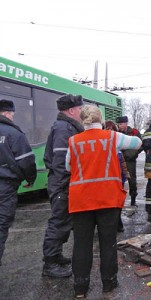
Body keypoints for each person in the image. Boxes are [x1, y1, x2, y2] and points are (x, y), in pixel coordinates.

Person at [66, 105, 142, 298]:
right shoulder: (112, 137)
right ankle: (108, 283)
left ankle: (80, 288)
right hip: (108, 199)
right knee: (108, 242)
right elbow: (137, 143)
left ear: (82, 120)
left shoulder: (73, 141)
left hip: (81, 200)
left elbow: (68, 166)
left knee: (81, 244)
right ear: (100, 119)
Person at [42, 94, 84, 278]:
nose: (82, 112)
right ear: (72, 110)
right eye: (80, 109)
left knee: (64, 222)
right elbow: (61, 162)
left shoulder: (66, 126)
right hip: (62, 184)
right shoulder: (64, 128)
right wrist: (67, 185)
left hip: (63, 183)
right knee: (59, 222)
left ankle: (56, 255)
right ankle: (50, 264)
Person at [0, 100, 37, 266]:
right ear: (8, 113)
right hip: (5, 187)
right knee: (1, 225)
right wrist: (30, 179)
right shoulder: (14, 134)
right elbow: (26, 162)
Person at [104, 120, 129, 232]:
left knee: (117, 201)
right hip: (107, 179)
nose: (109, 131)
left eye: (111, 129)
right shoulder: (102, 145)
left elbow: (122, 162)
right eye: (107, 128)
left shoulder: (118, 146)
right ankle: (110, 224)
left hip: (119, 178)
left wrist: (125, 173)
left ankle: (118, 223)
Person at [116, 116, 142, 207]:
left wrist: (132, 154)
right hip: (118, 160)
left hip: (130, 160)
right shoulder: (117, 133)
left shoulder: (134, 132)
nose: (119, 126)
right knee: (119, 180)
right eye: (118, 124)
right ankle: (118, 200)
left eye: (121, 124)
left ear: (126, 123)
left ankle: (133, 199)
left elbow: (140, 144)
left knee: (132, 180)